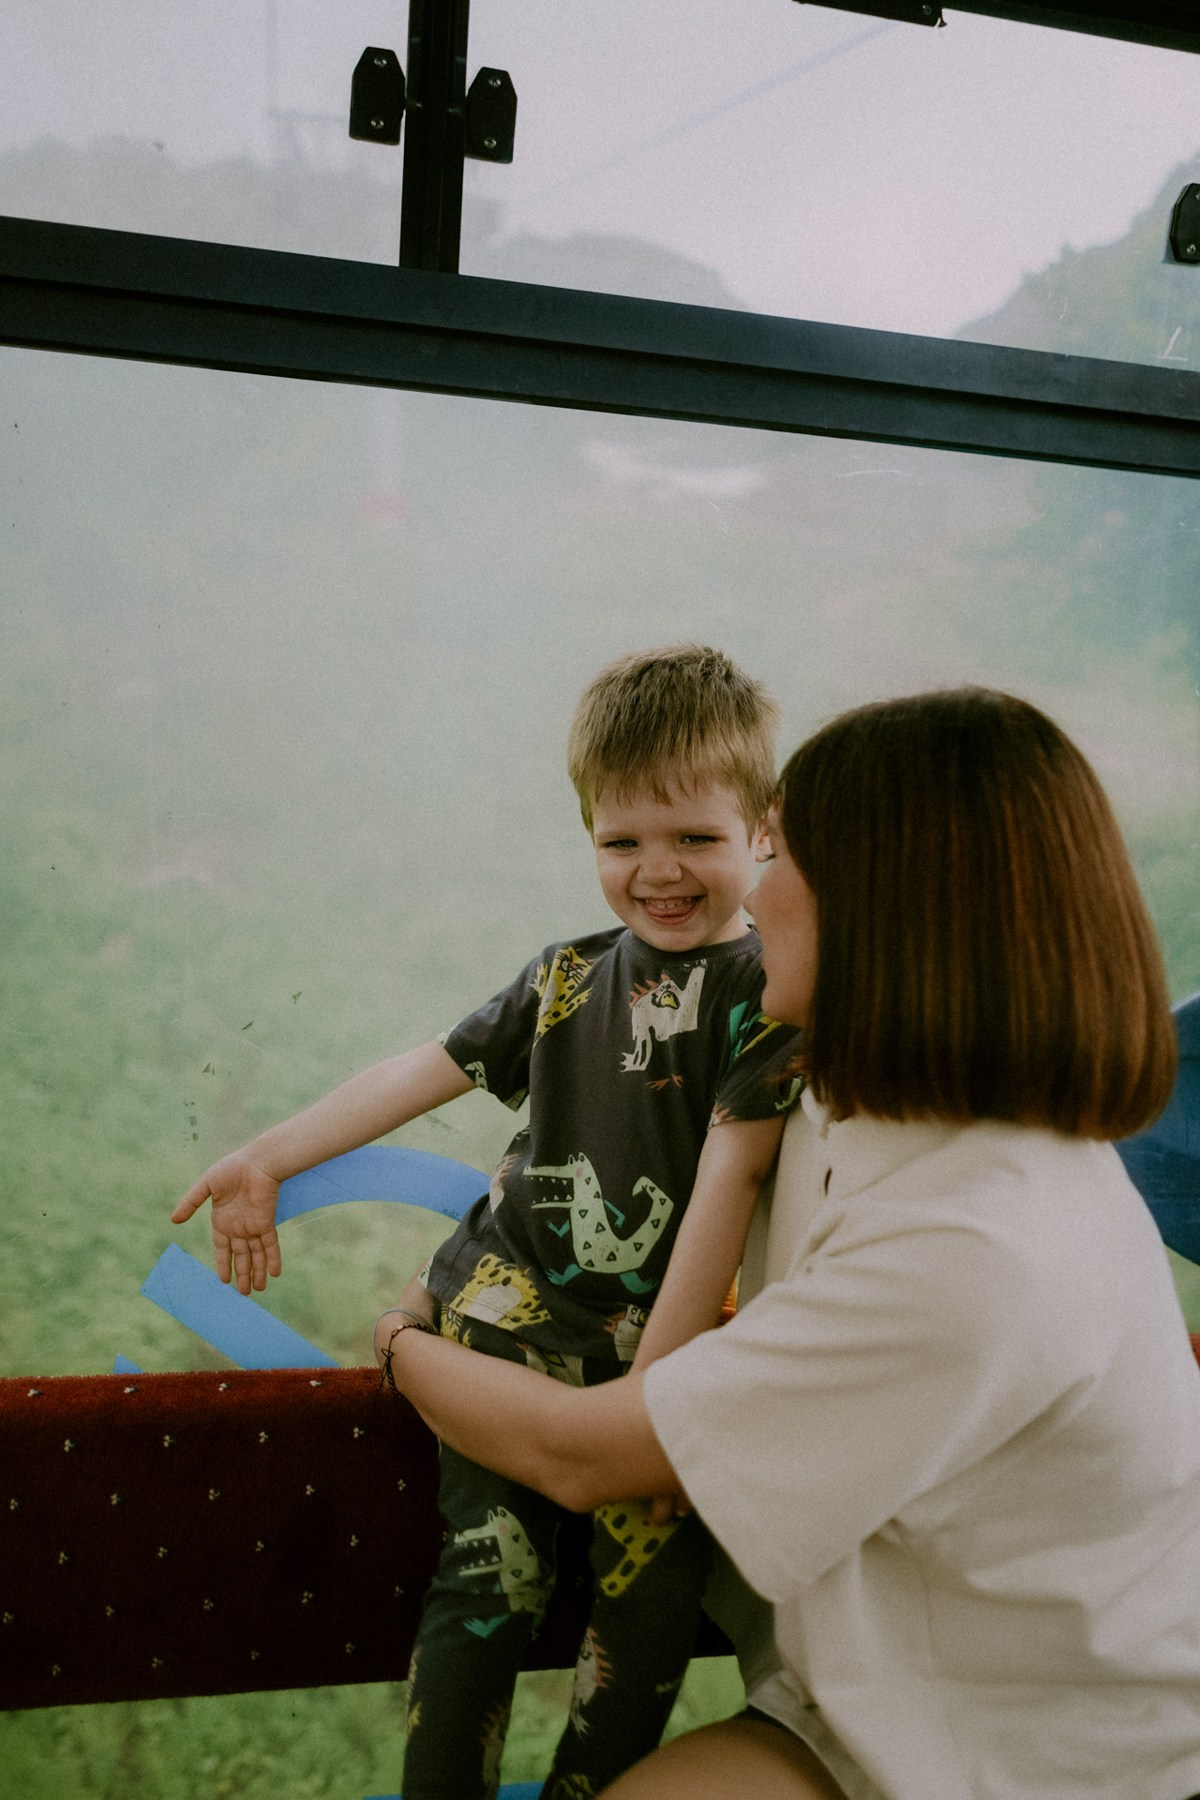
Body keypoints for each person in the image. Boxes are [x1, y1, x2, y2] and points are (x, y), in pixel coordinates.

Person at [379, 687, 1200, 1800]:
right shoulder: (850, 1105)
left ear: (882, 904)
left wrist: (403, 1342)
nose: (753, 895)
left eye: (780, 856)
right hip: (862, 1702)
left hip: (1048, 1757)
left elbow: (587, 1456)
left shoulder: (979, 1247)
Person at [172, 643, 804, 1800]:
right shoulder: (564, 978)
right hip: (499, 1340)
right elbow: (421, 1071)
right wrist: (266, 1156)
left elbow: (727, 1194)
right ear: (589, 834)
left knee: (649, 1632)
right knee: (481, 1598)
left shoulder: (771, 1002)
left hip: (657, 1370)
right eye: (622, 842)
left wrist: (654, 1405)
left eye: (694, 838)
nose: (658, 872)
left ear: (762, 831)